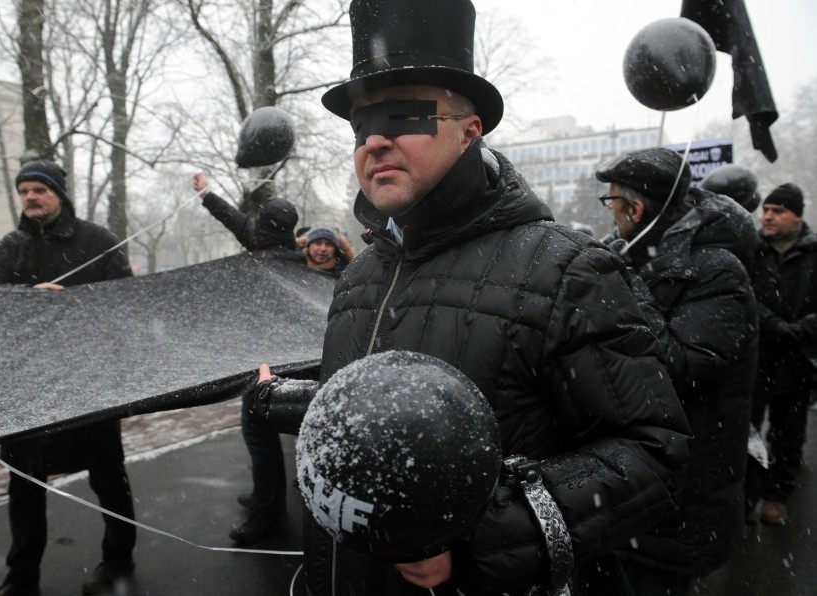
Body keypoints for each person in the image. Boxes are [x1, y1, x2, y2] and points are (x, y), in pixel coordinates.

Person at [245, 2, 691, 594]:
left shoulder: (567, 272)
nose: (374, 140)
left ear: (468, 129)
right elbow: (388, 421)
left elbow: (653, 455)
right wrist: (286, 402)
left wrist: (483, 531)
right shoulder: (360, 277)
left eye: (403, 115)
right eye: (359, 126)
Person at [577, 147, 759, 595]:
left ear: (635, 210)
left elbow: (680, 368)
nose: (611, 213)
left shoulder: (717, 270)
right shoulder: (638, 258)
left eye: (612, 202)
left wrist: (624, 283)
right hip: (627, 490)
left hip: (680, 500)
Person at [0, 160, 136, 596]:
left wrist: (73, 306)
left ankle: (118, 562)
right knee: (25, 486)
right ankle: (21, 578)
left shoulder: (99, 242)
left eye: (39, 189)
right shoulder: (10, 247)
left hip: (88, 384)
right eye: (24, 190)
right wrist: (26, 302)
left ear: (59, 195)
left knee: (109, 478)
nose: (30, 197)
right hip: (27, 389)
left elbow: (127, 308)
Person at [191, 172, 300, 544]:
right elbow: (235, 220)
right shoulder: (283, 252)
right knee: (261, 437)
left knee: (261, 438)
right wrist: (206, 193)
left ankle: (269, 512)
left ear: (266, 226)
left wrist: (207, 193)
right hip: (274, 364)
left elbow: (236, 221)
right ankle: (263, 496)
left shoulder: (274, 262)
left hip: (268, 369)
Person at [748, 183, 817, 525]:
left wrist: (801, 329)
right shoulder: (753, 250)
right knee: (748, 430)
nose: (768, 216)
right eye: (766, 209)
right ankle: (747, 496)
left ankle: (777, 495)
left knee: (788, 432)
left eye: (779, 210)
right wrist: (773, 324)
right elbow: (745, 294)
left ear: (797, 215)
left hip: (798, 360)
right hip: (758, 356)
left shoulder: (813, 252)